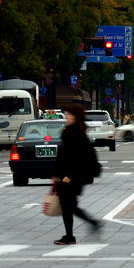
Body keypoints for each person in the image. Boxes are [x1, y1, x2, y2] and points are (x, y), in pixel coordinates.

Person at [52, 105, 102, 245]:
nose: (66, 117)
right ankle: (79, 230)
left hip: (73, 176)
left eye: (69, 114)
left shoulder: (74, 132)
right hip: (73, 175)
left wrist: (69, 175)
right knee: (69, 205)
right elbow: (65, 155)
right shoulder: (75, 130)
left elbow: (77, 157)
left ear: (76, 116)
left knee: (68, 205)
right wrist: (56, 173)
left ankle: (71, 235)